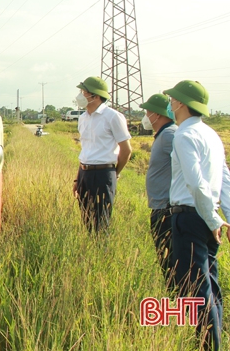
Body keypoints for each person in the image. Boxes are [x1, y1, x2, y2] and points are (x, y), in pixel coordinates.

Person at [163, 80, 230, 350]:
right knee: (210, 285)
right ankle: (216, 338)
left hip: (190, 217)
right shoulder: (211, 135)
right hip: (206, 214)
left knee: (195, 289)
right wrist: (220, 216)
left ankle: (206, 345)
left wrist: (213, 219)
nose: (169, 103)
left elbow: (196, 182)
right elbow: (224, 179)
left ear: (180, 103)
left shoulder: (183, 135)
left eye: (171, 99)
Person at [72, 76, 132, 232]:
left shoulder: (113, 117)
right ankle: (90, 253)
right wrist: (77, 179)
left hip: (103, 173)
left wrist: (115, 172)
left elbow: (126, 150)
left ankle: (101, 252)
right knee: (86, 220)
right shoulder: (83, 118)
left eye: (83, 92)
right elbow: (85, 149)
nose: (80, 95)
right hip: (84, 173)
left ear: (95, 96)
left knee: (101, 222)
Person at [140, 94, 177, 286]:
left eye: (147, 112)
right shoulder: (163, 135)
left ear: (156, 114)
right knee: (166, 262)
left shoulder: (170, 135)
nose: (145, 116)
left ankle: (178, 304)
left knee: (171, 263)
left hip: (167, 209)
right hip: (161, 206)